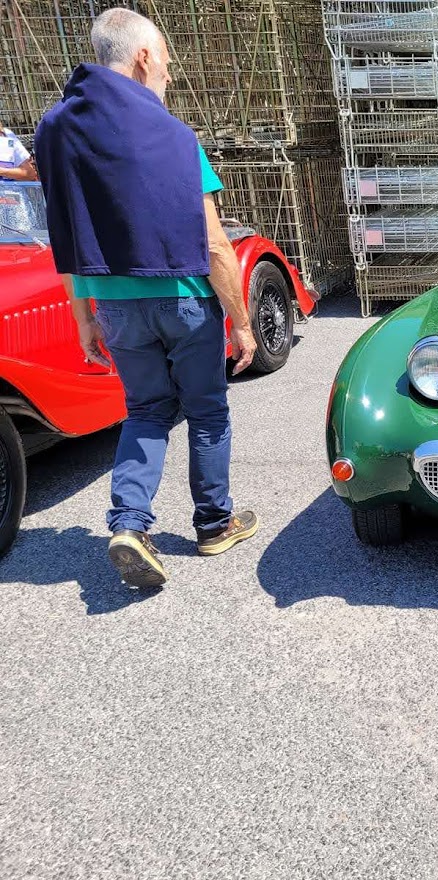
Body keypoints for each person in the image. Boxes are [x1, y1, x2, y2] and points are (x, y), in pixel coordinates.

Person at [34, 8, 259, 588]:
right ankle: (215, 524)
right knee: (206, 412)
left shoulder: (57, 132)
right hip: (183, 298)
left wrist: (83, 317)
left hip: (112, 304)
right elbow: (215, 243)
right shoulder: (175, 136)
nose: (168, 73)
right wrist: (241, 322)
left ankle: (130, 525)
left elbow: (65, 233)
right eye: (164, 59)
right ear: (141, 57)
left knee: (146, 411)